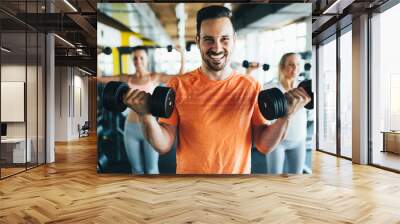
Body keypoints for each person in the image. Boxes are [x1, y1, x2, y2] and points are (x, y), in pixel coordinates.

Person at [123, 5, 310, 174]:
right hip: (191, 186)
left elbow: (263, 145)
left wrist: (285, 116)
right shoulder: (178, 85)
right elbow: (164, 145)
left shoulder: (250, 86)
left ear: (234, 40)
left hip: (236, 187)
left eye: (224, 39)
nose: (217, 47)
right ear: (197, 41)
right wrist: (145, 116)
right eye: (208, 40)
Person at [98, 46, 185, 174]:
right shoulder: (127, 78)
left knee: (152, 169)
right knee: (136, 170)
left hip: (151, 127)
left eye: (141, 58)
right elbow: (100, 78)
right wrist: (98, 54)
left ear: (147, 59)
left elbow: (180, 77)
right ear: (132, 60)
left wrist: (182, 54)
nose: (138, 61)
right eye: (135, 58)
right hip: (130, 127)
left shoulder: (154, 77)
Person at [264, 53, 308, 174]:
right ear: (282, 67)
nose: (295, 68)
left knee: (297, 177)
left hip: (299, 140)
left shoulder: (304, 88)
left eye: (298, 64)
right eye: (291, 65)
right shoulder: (271, 88)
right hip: (277, 141)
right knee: (274, 176)